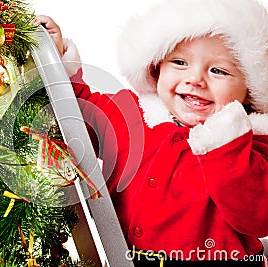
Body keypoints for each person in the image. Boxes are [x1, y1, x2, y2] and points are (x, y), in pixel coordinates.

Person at [35, 0, 268, 265]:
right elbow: (76, 113)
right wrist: (54, 56)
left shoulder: (254, 147)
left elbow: (258, 218)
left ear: (249, 88)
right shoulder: (132, 114)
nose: (195, 79)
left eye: (218, 70)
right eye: (180, 62)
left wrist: (227, 144)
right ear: (156, 70)